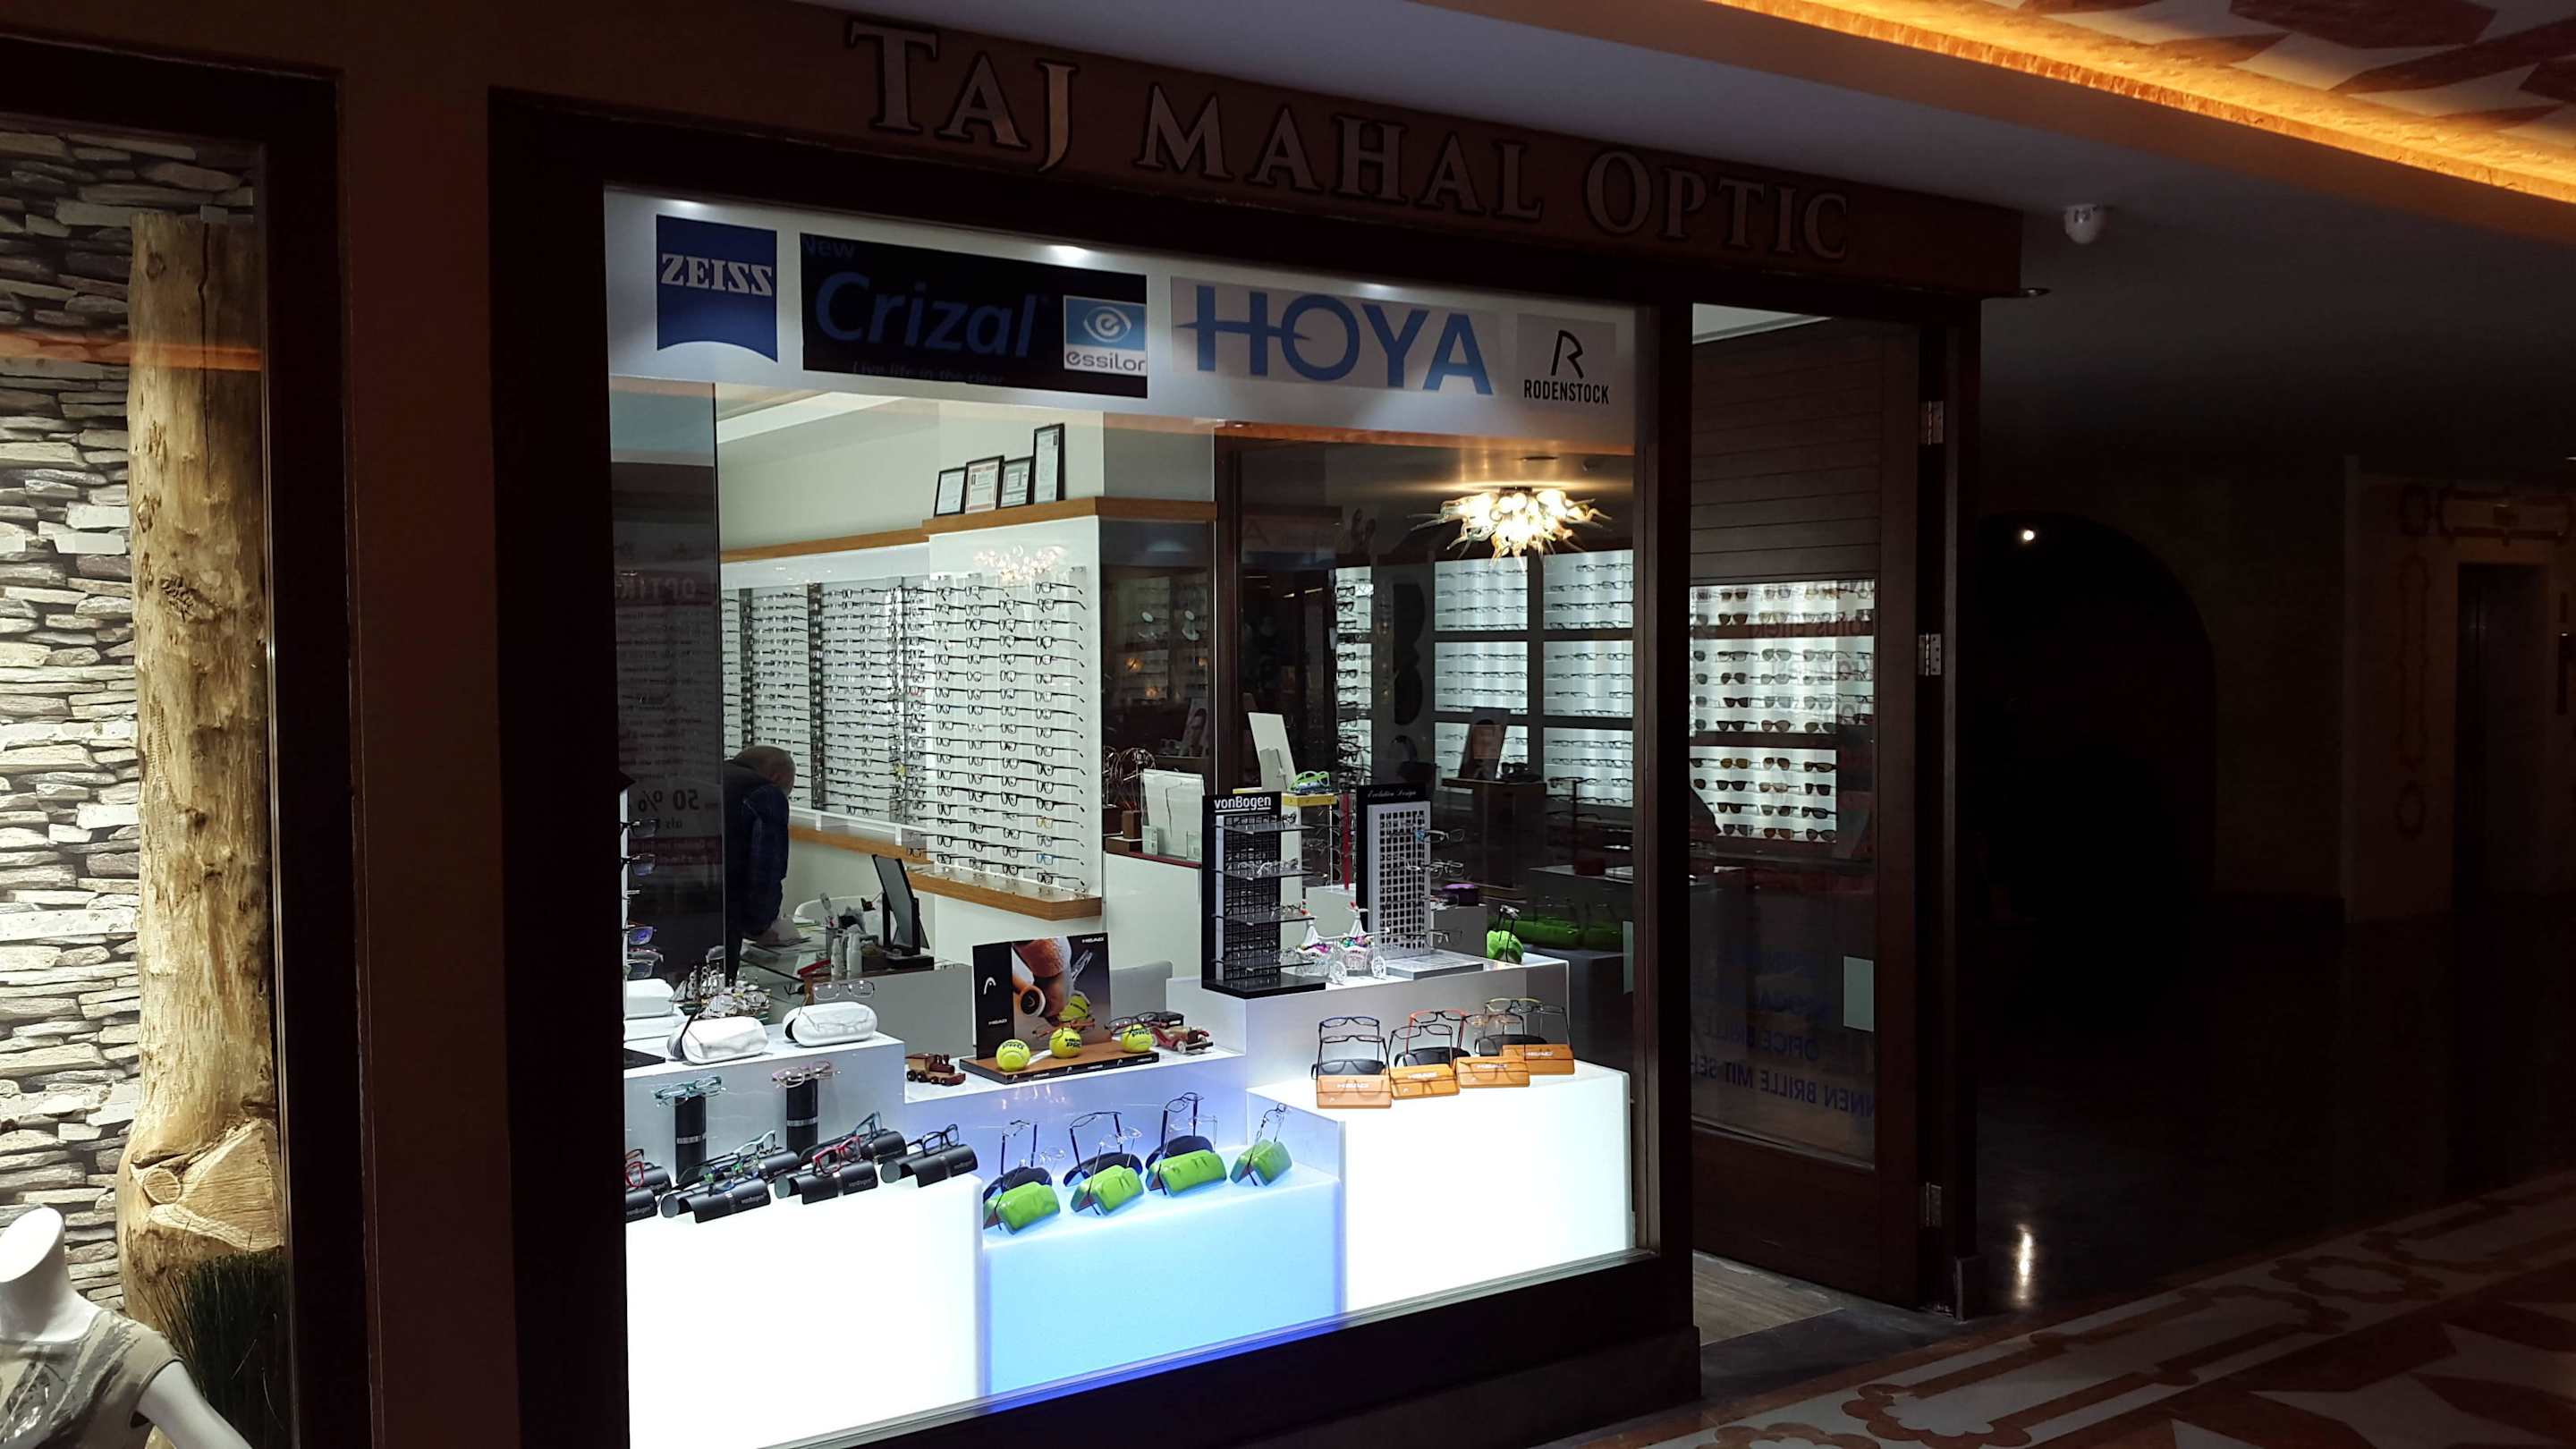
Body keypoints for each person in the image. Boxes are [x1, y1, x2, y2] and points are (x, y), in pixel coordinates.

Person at [722, 745, 798, 980]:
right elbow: (766, 870)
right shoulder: (765, 794)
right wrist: (759, 926)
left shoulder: (711, 776)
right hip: (725, 918)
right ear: (777, 778)